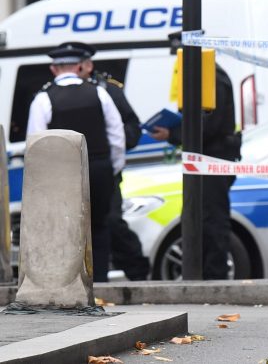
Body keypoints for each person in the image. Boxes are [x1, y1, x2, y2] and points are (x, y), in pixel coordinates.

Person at [26, 42, 126, 282]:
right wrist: (112, 168)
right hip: (100, 168)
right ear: (80, 66)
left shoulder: (43, 99)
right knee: (99, 227)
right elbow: (117, 136)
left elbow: (37, 144)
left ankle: (69, 282)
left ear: (53, 69)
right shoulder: (100, 93)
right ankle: (99, 281)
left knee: (65, 228)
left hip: (62, 174)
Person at [65, 41, 150, 281]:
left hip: (103, 169)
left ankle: (137, 272)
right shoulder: (57, 94)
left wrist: (114, 151)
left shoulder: (108, 91)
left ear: (87, 66)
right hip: (72, 171)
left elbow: (131, 127)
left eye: (77, 66)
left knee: (111, 222)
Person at [150, 62, 240, 280]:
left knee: (212, 222)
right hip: (203, 161)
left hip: (212, 160)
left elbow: (209, 125)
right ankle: (202, 277)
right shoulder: (202, 76)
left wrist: (172, 133)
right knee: (197, 220)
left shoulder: (213, 77)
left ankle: (215, 279)